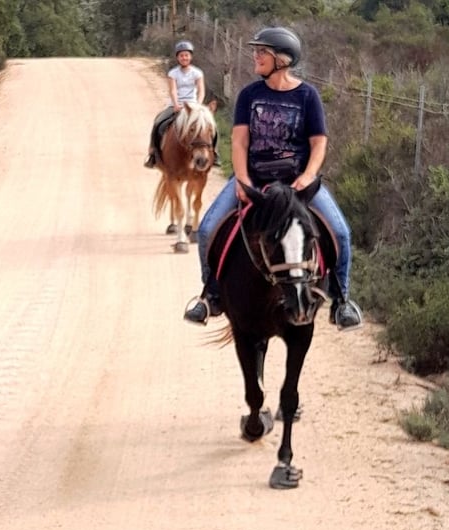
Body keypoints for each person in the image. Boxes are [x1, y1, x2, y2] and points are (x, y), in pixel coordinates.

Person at [182, 26, 363, 331]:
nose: (256, 56)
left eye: (262, 52)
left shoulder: (308, 96)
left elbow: (319, 143)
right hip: (254, 179)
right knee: (208, 228)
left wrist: (307, 177)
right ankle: (211, 295)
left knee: (341, 233)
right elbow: (239, 142)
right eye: (257, 51)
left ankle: (341, 301)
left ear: (282, 59)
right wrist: (242, 180)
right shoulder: (249, 95)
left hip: (297, 183)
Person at [144, 40, 221, 168]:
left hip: (194, 105)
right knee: (159, 122)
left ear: (191, 56)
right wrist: (175, 104)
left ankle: (215, 154)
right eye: (181, 55)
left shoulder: (197, 73)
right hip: (176, 105)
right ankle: (153, 153)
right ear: (177, 57)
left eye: (186, 55)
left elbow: (201, 91)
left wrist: (198, 106)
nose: (184, 58)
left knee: (212, 127)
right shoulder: (173, 73)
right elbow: (173, 90)